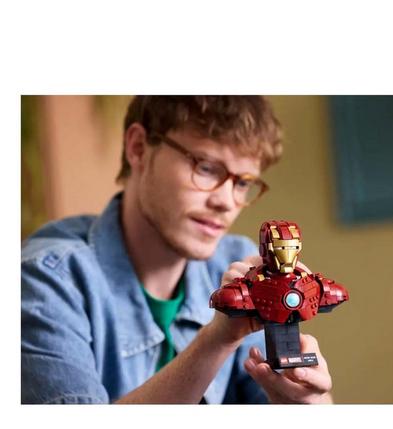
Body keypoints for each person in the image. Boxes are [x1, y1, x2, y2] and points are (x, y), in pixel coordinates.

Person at [21, 96, 333, 404]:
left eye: (242, 183)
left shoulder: (237, 262)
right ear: (138, 148)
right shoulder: (46, 280)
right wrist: (217, 339)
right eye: (206, 168)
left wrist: (306, 400)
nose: (227, 201)